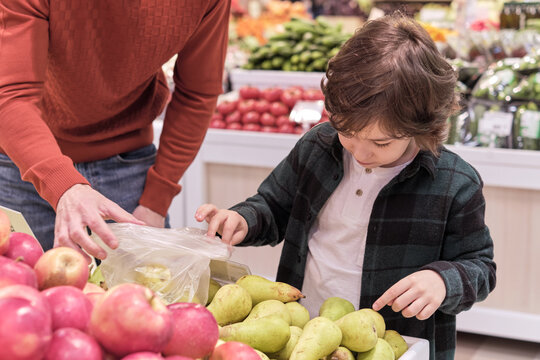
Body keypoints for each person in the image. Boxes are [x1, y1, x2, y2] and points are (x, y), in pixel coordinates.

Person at [195, 13, 496, 360]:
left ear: (423, 124)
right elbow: (274, 205)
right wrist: (243, 220)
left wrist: (444, 281)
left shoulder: (454, 184)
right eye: (347, 132)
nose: (361, 151)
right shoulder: (318, 147)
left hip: (395, 343)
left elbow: (480, 267)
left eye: (381, 143)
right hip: (307, 330)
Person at [0, 0, 231, 259]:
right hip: (23, 165)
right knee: (20, 294)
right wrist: (62, 184)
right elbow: (11, 95)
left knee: (143, 294)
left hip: (129, 170)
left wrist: (156, 199)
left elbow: (197, 92)